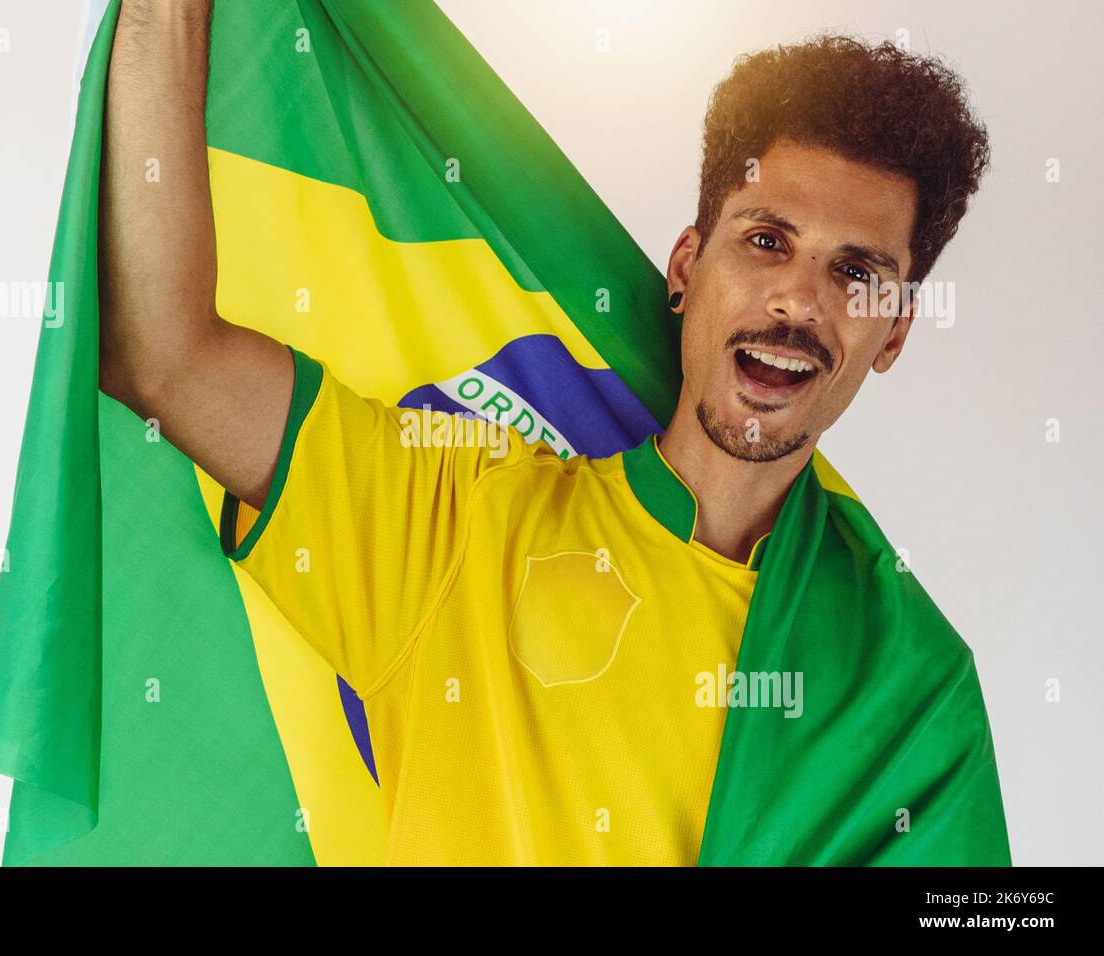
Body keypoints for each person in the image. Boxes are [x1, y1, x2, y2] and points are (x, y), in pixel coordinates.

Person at [98, 0, 1006, 864]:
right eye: (767, 241)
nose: (798, 300)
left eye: (856, 274)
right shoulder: (464, 520)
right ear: (686, 267)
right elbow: (167, 362)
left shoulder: (911, 690)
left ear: (894, 333)